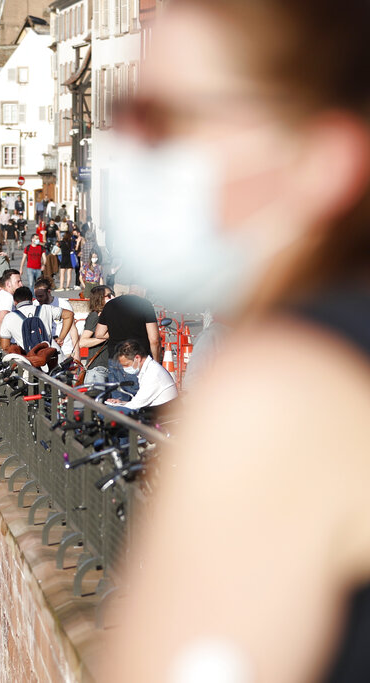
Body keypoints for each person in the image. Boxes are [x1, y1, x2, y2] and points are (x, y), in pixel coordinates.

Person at [102, 1, 370, 681]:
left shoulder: (281, 394)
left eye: (169, 121)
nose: (133, 150)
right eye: (130, 113)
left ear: (325, 156)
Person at [91, 290, 160, 397]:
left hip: (115, 358)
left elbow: (99, 333)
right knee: (139, 401)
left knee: (118, 401)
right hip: (139, 359)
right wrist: (156, 362)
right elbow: (154, 340)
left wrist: (115, 333)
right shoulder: (145, 304)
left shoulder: (110, 304)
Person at [104, 339, 179, 411]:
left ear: (137, 358)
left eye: (126, 365)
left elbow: (136, 405)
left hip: (161, 413)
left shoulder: (152, 373)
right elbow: (138, 402)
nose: (124, 369)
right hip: (157, 409)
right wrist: (121, 403)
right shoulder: (148, 369)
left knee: (110, 412)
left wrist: (119, 405)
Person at [79, 285, 114, 386]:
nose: (112, 297)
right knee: (94, 401)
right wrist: (108, 335)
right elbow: (83, 342)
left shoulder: (112, 314)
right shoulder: (95, 316)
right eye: (108, 295)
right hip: (98, 370)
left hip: (114, 369)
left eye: (112, 294)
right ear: (99, 299)